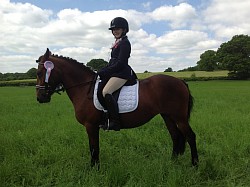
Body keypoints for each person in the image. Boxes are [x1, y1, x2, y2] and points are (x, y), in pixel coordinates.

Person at [97, 17, 137, 131]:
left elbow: (120, 63)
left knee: (106, 91)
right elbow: (113, 61)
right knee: (100, 88)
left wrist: (105, 72)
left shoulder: (125, 43)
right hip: (116, 72)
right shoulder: (117, 42)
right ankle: (105, 116)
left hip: (122, 73)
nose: (115, 31)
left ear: (124, 29)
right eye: (113, 29)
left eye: (118, 29)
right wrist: (102, 70)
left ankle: (115, 122)